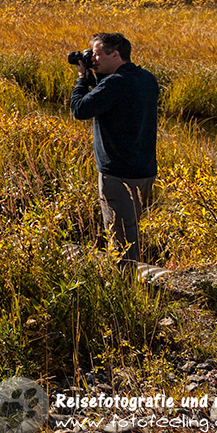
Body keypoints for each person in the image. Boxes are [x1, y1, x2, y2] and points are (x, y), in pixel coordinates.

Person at [69, 32, 159, 265]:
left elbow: (79, 109)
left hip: (118, 174)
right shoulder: (147, 78)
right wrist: (98, 76)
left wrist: (81, 79)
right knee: (132, 228)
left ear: (115, 54)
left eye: (97, 55)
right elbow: (116, 100)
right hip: (145, 171)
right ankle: (133, 278)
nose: (93, 60)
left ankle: (125, 288)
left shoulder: (114, 84)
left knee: (120, 236)